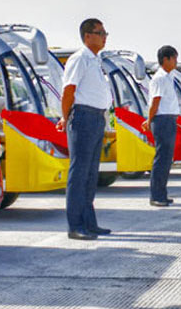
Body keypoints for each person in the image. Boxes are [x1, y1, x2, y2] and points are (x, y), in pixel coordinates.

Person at [58, 18, 114, 240]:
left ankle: (89, 223)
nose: (104, 36)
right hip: (83, 117)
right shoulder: (80, 58)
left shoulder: (95, 60)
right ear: (87, 36)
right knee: (79, 173)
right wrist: (66, 117)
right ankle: (75, 225)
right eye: (100, 32)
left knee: (91, 174)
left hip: (96, 118)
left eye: (105, 32)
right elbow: (68, 91)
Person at [143, 45, 181, 207]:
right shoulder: (159, 78)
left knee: (166, 159)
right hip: (162, 120)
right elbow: (155, 102)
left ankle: (162, 193)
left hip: (169, 119)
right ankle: (156, 195)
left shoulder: (168, 77)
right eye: (174, 58)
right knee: (162, 158)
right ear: (165, 59)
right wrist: (149, 120)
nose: (176, 62)